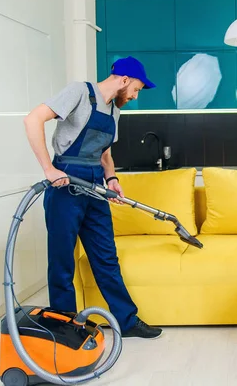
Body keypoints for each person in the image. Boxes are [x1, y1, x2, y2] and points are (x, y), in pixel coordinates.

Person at [23, 56, 162, 339]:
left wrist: (112, 179)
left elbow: (104, 153)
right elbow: (33, 119)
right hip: (65, 180)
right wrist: (49, 169)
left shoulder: (114, 111)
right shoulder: (79, 92)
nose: (135, 96)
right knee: (62, 261)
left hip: (95, 183)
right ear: (124, 80)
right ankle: (65, 326)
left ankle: (126, 321)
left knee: (106, 256)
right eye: (136, 89)